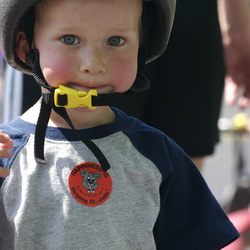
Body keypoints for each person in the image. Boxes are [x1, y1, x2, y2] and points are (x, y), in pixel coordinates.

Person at [0, 0, 239, 249]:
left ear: (141, 47)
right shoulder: (6, 153)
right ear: (26, 47)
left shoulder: (156, 154)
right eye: (70, 39)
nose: (93, 65)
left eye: (115, 41)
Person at [117, 0, 250, 171]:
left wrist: (237, 26)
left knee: (181, 172)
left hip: (191, 14)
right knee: (96, 164)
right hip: (100, 16)